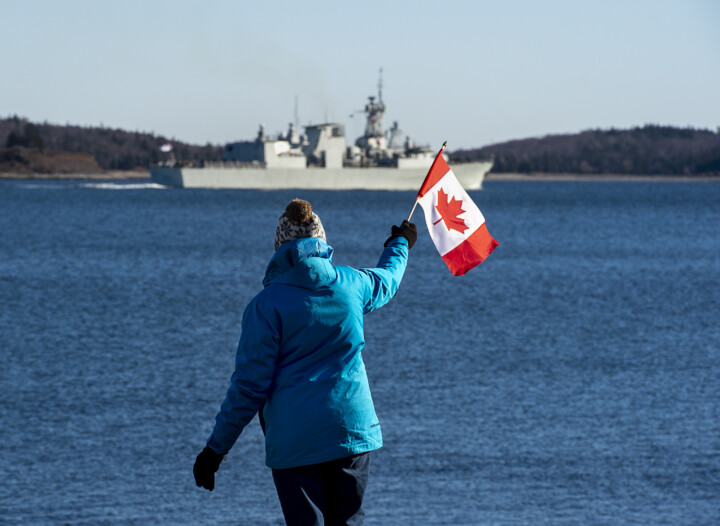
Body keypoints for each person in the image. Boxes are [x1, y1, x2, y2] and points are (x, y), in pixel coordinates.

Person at [193, 198, 417, 525]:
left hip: (295, 442)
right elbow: (387, 279)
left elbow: (249, 387)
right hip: (350, 431)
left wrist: (215, 450)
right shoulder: (351, 284)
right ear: (321, 240)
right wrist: (400, 243)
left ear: (279, 247)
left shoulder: (266, 306)